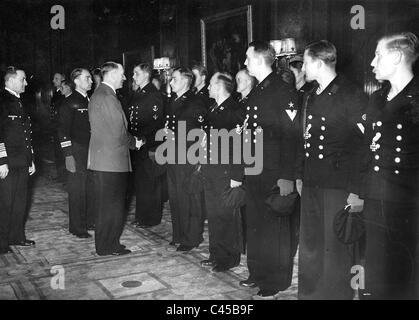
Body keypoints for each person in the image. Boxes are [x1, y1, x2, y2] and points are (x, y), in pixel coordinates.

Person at [296, 40, 367, 300]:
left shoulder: (350, 94)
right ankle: (311, 295)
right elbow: (304, 140)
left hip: (339, 185)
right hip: (313, 180)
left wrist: (357, 192)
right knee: (312, 245)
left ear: (317, 62)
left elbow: (365, 147)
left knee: (336, 250)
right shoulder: (311, 95)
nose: (302, 68)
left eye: (305, 62)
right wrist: (300, 175)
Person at [360, 32, 419, 299]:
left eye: (378, 55)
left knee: (403, 267)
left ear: (396, 57)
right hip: (376, 191)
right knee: (376, 262)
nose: (372, 63)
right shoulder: (378, 97)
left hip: (408, 197)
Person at [240, 41, 300, 300]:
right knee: (256, 225)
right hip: (255, 169)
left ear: (261, 59)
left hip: (275, 171)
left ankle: (275, 280)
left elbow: (291, 137)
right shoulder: (258, 90)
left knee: (274, 227)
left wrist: (287, 175)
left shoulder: (282, 90)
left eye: (247, 58)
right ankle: (258, 272)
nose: (244, 63)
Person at [87, 61, 142, 256]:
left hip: (104, 161)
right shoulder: (108, 97)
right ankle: (108, 245)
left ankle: (106, 244)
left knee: (106, 206)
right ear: (111, 75)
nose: (125, 78)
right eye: (122, 74)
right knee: (112, 207)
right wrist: (135, 143)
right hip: (111, 162)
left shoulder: (100, 94)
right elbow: (118, 132)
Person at [200, 72, 245, 272]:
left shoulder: (234, 111)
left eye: (210, 84)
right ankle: (216, 253)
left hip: (226, 171)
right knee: (214, 213)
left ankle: (229, 257)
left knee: (226, 214)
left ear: (219, 87)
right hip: (211, 169)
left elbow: (240, 145)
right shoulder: (213, 109)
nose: (208, 88)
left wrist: (236, 176)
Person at [165, 67, 207, 252]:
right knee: (175, 196)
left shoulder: (195, 102)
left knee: (190, 197)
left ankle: (191, 237)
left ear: (185, 80)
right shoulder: (173, 101)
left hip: (188, 154)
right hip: (173, 154)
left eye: (174, 79)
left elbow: (202, 131)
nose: (171, 82)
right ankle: (179, 234)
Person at [0, 66, 36, 255]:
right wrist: (1, 160)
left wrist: (31, 159)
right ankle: (2, 241)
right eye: (23, 79)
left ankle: (16, 236)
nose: (26, 83)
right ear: (11, 80)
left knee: (20, 200)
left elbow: (26, 134)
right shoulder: (3, 100)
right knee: (5, 202)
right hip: (7, 161)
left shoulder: (20, 101)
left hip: (22, 159)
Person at [58, 68, 93, 239]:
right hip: (76, 150)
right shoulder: (70, 102)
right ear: (77, 80)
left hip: (90, 150)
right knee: (77, 189)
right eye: (87, 78)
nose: (91, 81)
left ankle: (86, 221)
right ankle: (77, 227)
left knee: (88, 188)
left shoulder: (89, 100)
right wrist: (68, 154)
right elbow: (63, 131)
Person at [128, 63, 165, 228]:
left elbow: (155, 123)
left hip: (149, 144)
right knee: (141, 182)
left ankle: (151, 218)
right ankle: (141, 216)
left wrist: (143, 139)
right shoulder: (139, 93)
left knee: (150, 183)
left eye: (136, 73)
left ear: (146, 75)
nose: (134, 77)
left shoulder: (152, 94)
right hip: (138, 144)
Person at [51, 72, 66, 180]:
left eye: (56, 78)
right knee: (57, 151)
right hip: (56, 127)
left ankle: (65, 175)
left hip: (63, 128)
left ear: (63, 80)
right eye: (54, 79)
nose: (54, 80)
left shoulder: (64, 93)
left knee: (64, 151)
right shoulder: (55, 93)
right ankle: (61, 174)